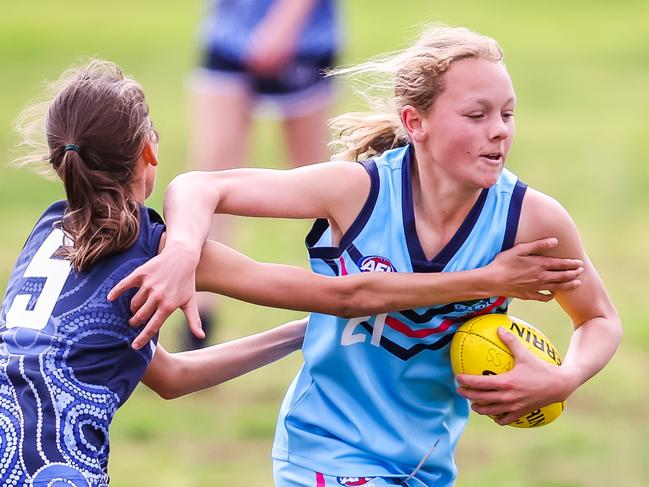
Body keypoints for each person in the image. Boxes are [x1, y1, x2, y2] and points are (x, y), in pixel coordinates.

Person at [1, 59, 583, 486]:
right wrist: (489, 281)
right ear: (150, 153)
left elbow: (170, 377)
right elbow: (351, 295)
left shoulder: (51, 233)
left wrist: (301, 333)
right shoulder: (146, 247)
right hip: (52, 465)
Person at [186, 0, 341, 348]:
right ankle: (198, 321)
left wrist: (285, 22)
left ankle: (351, 307)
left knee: (322, 185)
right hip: (228, 32)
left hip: (305, 40)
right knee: (209, 177)